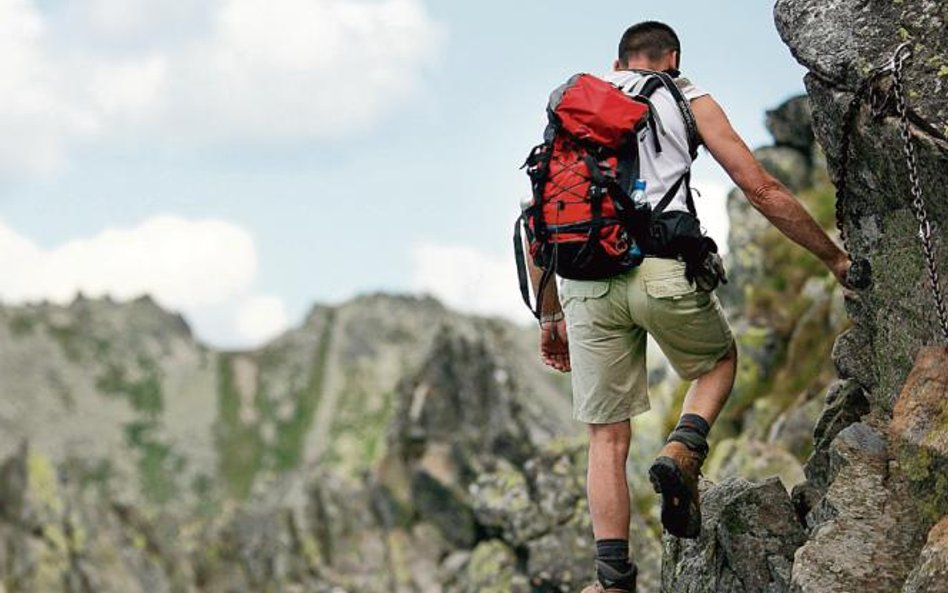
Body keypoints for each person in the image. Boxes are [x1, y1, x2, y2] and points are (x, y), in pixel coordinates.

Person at [526, 21, 852, 593]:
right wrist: (834, 260)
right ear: (671, 59)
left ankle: (612, 580)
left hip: (583, 281)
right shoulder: (687, 96)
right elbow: (760, 189)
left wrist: (549, 314)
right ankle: (685, 446)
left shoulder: (575, 105)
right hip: (661, 267)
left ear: (618, 62)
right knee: (718, 363)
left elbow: (539, 214)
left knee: (606, 437)